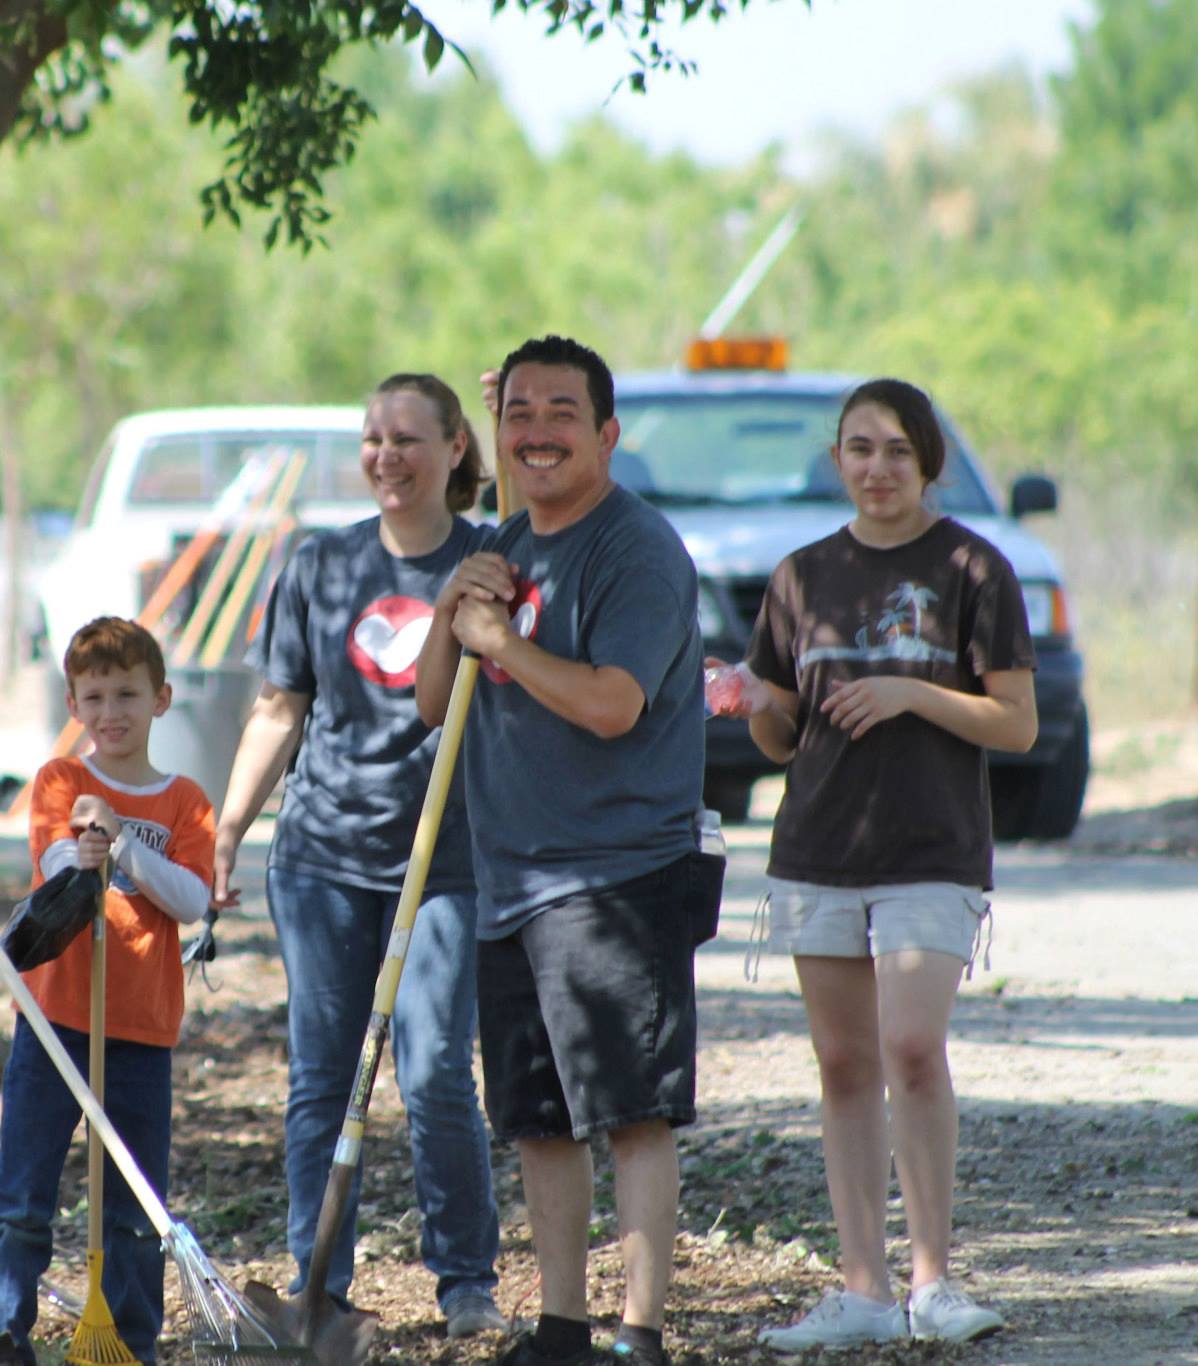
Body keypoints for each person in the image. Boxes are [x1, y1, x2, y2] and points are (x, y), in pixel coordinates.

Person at [725, 378, 1036, 1351]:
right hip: (818, 845)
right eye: (858, 448)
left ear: (927, 461)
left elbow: (1016, 722)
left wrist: (909, 689)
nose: (875, 468)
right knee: (844, 1061)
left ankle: (933, 1279)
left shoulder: (971, 568)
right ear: (836, 461)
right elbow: (780, 734)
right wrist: (749, 700)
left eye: (895, 450)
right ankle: (859, 1287)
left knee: (909, 1045)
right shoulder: (800, 574)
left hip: (930, 848)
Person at [418, 336, 704, 1366]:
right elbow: (427, 699)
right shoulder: (504, 541)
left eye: (559, 413)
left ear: (606, 434)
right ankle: (560, 1327)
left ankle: (638, 1333)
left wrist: (501, 645)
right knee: (536, 1119)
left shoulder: (633, 551)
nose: (535, 431)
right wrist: (455, 611)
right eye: (519, 414)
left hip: (614, 874)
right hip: (510, 879)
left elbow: (610, 703)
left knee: (627, 1111)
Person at [211, 373, 505, 1338]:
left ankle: (465, 1283)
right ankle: (318, 1284)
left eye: (410, 438)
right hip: (326, 856)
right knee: (323, 1077)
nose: (388, 455)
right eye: (374, 437)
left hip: (446, 858)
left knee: (431, 1074)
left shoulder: (489, 559)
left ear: (456, 449)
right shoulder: (320, 564)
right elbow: (280, 706)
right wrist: (227, 828)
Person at [0, 617, 217, 1366]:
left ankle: (128, 1341)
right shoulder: (61, 779)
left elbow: (193, 898)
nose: (113, 713)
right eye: (96, 697)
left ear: (161, 699)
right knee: (22, 1194)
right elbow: (52, 865)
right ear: (74, 706)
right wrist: (87, 847)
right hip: (55, 1022)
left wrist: (127, 844)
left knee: (136, 1204)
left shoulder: (185, 802)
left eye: (128, 694)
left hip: (140, 1028)